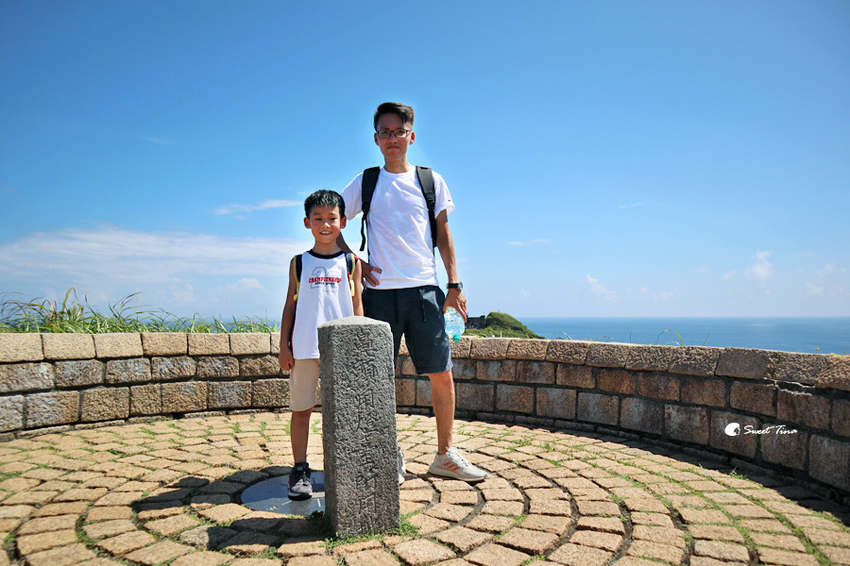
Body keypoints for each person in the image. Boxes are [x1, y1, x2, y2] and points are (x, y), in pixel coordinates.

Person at [338, 102, 487, 483]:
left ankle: (445, 455)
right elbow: (332, 221)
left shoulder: (430, 181)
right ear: (375, 139)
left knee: (442, 373)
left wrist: (454, 286)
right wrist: (356, 261)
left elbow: (444, 236)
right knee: (377, 377)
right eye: (384, 133)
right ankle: (387, 454)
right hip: (378, 295)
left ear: (411, 136)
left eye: (398, 131)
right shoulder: (365, 181)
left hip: (424, 290)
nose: (392, 138)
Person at [279, 190, 363, 500]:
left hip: (341, 351)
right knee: (301, 410)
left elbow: (357, 307)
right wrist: (284, 346)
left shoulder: (351, 263)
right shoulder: (299, 263)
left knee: (343, 412)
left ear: (343, 222)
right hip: (304, 349)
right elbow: (290, 305)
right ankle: (300, 469)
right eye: (318, 219)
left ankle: (345, 467)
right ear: (306, 222)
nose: (325, 225)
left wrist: (359, 348)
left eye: (332, 219)